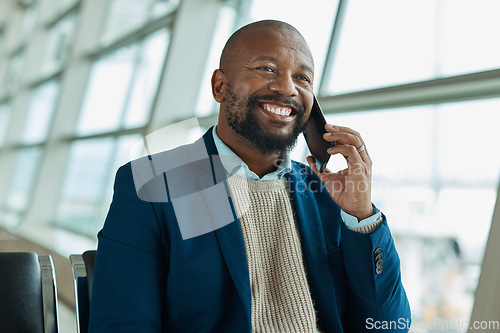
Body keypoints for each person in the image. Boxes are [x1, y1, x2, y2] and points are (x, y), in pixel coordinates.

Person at [89, 20, 411, 332]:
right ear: (220, 86)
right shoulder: (158, 183)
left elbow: (388, 325)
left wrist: (360, 216)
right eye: (267, 69)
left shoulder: (325, 192)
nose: (287, 88)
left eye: (303, 79)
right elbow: (124, 323)